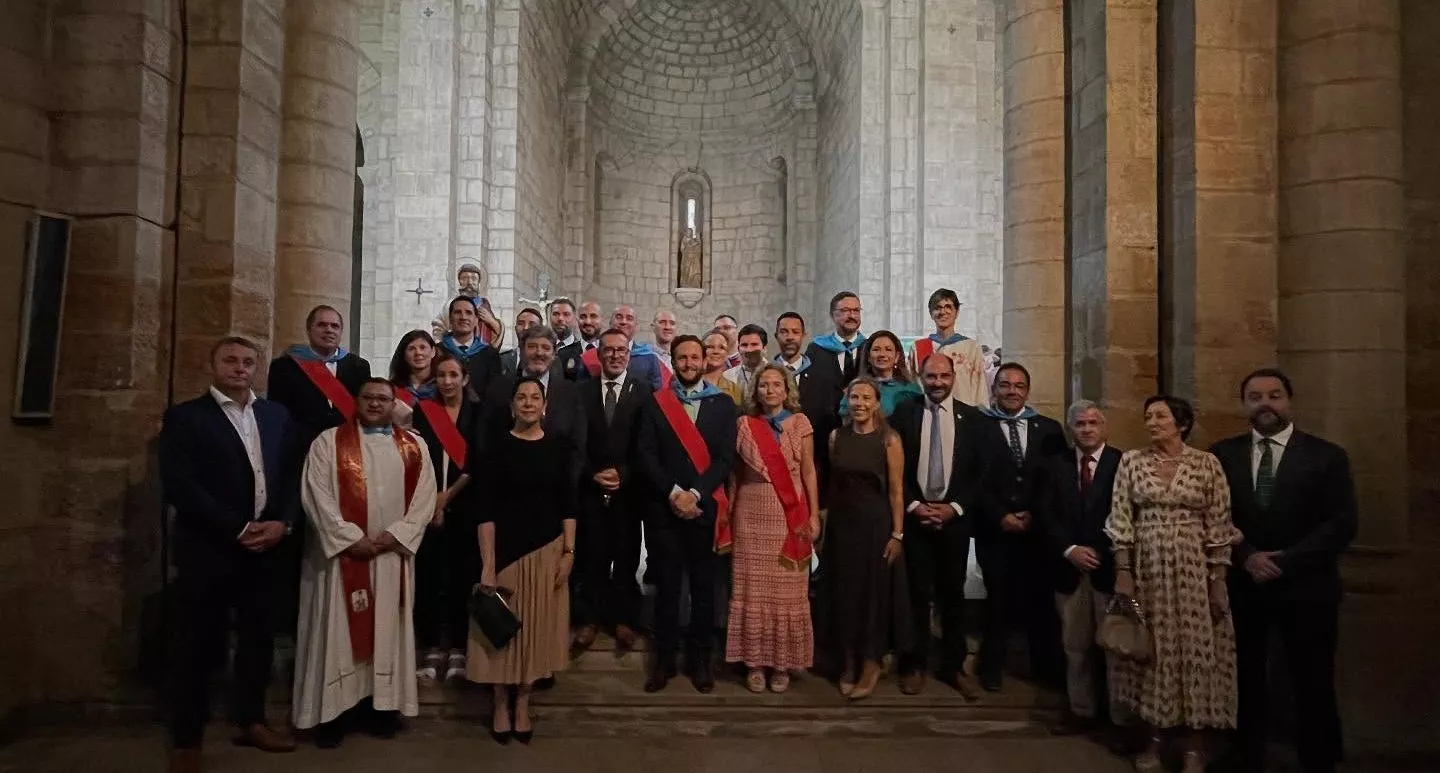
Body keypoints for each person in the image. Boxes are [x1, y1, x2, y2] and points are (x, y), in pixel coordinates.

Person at [160, 337, 300, 773]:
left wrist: (284, 523)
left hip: (266, 547)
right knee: (197, 644)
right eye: (231, 361)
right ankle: (187, 739)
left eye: (247, 362)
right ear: (213, 365)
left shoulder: (275, 415)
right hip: (211, 548)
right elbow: (181, 485)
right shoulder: (186, 417)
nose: (240, 369)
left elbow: (293, 475)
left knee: (259, 641)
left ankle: (251, 720)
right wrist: (236, 527)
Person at [1211, 369, 1357, 773]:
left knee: (1311, 676)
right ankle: (1246, 752)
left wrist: (1284, 561)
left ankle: (1318, 756)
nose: (1265, 404)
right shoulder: (1223, 454)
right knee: (1245, 675)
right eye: (1255, 396)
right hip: (1245, 584)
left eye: (1274, 395)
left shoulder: (1326, 456)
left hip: (1308, 586)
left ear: (1288, 401)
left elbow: (1341, 524)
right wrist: (1248, 557)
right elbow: (1215, 517)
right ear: (1244, 404)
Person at [293, 379, 437, 748]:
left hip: (390, 559)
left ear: (394, 403)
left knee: (386, 632)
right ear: (355, 401)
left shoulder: (414, 446)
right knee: (338, 635)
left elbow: (424, 501)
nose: (375, 404)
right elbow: (317, 495)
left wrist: (395, 535)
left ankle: (381, 709)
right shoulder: (328, 443)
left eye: (383, 399)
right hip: (342, 561)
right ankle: (333, 714)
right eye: (368, 398)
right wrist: (349, 538)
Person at [1106, 395, 1240, 773]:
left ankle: (1194, 747)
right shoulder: (1132, 461)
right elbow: (1120, 518)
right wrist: (1124, 571)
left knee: (1195, 656)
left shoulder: (1206, 463)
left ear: (1181, 423)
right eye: (1148, 415)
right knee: (1153, 653)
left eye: (1161, 416)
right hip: (1149, 570)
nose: (1152, 422)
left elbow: (1218, 523)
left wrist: (1218, 580)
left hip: (1193, 572)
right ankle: (1154, 740)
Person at [468, 377, 578, 745]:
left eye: (535, 397)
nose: (529, 403)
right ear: (512, 406)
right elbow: (483, 510)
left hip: (548, 550)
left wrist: (569, 552)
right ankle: (500, 702)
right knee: (502, 634)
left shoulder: (560, 448)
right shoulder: (495, 449)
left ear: (545, 406)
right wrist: (487, 563)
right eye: (522, 397)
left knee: (536, 632)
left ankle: (523, 704)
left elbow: (569, 504)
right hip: (506, 553)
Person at [636, 335, 738, 694]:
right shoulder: (655, 403)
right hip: (664, 510)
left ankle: (700, 661)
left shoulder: (724, 405)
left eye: (695, 357)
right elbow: (646, 454)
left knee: (703, 589)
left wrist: (694, 493)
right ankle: (663, 661)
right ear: (674, 362)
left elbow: (725, 458)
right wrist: (673, 492)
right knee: (666, 587)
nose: (690, 363)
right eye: (683, 357)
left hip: (704, 509)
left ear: (705, 360)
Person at [890, 353, 990, 698]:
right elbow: (894, 470)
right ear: (921, 376)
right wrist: (916, 506)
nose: (937, 383)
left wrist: (954, 508)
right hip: (915, 519)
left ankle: (953, 666)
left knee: (953, 595)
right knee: (916, 595)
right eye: (931, 376)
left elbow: (980, 473)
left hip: (954, 522)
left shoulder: (973, 419)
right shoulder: (905, 413)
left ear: (953, 376)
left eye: (943, 376)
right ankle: (914, 664)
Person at [725, 364, 820, 693]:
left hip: (789, 514)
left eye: (776, 384)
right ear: (755, 390)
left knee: (786, 591)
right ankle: (753, 662)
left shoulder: (801, 423)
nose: (769, 390)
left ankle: (781, 664)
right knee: (751, 589)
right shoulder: (743, 425)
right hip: (750, 515)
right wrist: (730, 511)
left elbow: (809, 471)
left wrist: (814, 516)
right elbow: (735, 474)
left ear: (786, 388)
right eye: (763, 384)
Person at [817, 377, 909, 700]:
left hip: (875, 526)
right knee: (844, 593)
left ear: (877, 403)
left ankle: (871, 662)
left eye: (866, 398)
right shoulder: (835, 437)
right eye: (854, 397)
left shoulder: (889, 439)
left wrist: (897, 533)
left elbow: (897, 492)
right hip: (843, 526)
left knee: (872, 595)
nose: (859, 403)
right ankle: (848, 661)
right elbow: (833, 485)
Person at [1039, 400, 1127, 739]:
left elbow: (1127, 515)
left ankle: (1121, 718)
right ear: (1070, 428)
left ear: (1103, 426)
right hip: (1069, 569)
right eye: (1080, 424)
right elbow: (1046, 513)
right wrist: (1070, 549)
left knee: (1117, 650)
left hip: (1109, 570)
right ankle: (1082, 711)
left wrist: (1102, 553)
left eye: (1093, 423)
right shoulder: (1055, 465)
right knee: (1075, 648)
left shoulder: (1122, 463)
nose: (1087, 429)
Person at [977, 362, 1067, 691]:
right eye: (1004, 385)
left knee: (1040, 601)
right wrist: (999, 514)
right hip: (994, 528)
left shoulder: (1049, 429)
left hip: (1037, 530)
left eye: (1018, 386)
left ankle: (1046, 668)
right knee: (997, 599)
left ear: (1027, 391)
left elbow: (1057, 480)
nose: (1011, 391)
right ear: (995, 389)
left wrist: (1035, 513)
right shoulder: (979, 427)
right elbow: (975, 478)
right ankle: (991, 668)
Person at [573, 329, 655, 652]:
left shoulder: (644, 391)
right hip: (589, 487)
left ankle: (623, 619)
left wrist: (624, 473)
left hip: (628, 490)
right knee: (591, 557)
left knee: (625, 555)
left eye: (621, 350)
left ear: (628, 355)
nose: (615, 355)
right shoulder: (580, 392)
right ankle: (589, 619)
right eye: (608, 350)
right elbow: (574, 441)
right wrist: (592, 473)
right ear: (599, 354)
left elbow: (646, 442)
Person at [410, 351, 483, 683]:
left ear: (465, 378)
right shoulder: (424, 412)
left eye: (454, 375)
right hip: (427, 504)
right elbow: (416, 459)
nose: (448, 381)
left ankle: (457, 647)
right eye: (441, 376)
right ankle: (429, 648)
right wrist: (433, 502)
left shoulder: (479, 413)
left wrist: (446, 498)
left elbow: (477, 464)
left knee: (461, 579)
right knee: (428, 579)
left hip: (466, 507)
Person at [481, 326, 587, 489]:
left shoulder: (570, 393)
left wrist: (568, 487)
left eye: (546, 348)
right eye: (532, 347)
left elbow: (577, 446)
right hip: (506, 491)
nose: (539, 353)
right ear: (522, 350)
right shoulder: (499, 388)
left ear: (553, 355)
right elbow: (486, 441)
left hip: (556, 492)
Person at [267, 305, 372, 449]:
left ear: (341, 332)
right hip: (301, 448)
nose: (329, 330)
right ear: (309, 330)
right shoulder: (284, 366)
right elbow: (277, 413)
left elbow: (364, 408)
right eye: (322, 325)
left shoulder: (359, 367)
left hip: (347, 446)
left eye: (335, 326)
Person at [775, 312, 841, 504]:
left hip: (813, 463)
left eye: (795, 332)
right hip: (775, 462)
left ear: (804, 335)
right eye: (784, 332)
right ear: (776, 336)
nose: (789, 337)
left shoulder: (823, 376)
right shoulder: (766, 375)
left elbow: (828, 417)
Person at [909, 288, 989, 407]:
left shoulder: (971, 347)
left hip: (964, 415)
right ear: (931, 314)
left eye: (948, 307)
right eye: (937, 308)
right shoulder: (918, 347)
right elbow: (913, 385)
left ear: (956, 312)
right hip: (928, 412)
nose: (943, 312)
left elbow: (980, 387)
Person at [838, 330, 922, 417]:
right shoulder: (855, 388)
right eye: (876, 349)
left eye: (888, 350)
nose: (882, 354)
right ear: (869, 357)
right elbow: (845, 420)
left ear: (897, 357)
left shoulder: (912, 389)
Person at [582, 305, 663, 390]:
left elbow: (655, 392)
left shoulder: (649, 358)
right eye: (618, 317)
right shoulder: (591, 357)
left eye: (629, 318)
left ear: (636, 326)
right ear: (610, 323)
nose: (623, 322)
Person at [438, 295, 503, 398]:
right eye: (458, 312)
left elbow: (495, 394)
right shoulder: (437, 352)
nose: (463, 317)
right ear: (450, 319)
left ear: (476, 319)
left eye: (468, 313)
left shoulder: (490, 355)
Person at [804, 291, 865, 399]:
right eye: (845, 310)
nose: (852, 315)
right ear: (832, 315)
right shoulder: (816, 349)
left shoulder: (870, 348)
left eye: (856, 310)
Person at [388, 330, 436, 426]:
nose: (418, 352)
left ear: (433, 352)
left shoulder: (443, 387)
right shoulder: (392, 389)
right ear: (404, 356)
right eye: (411, 349)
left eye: (423, 347)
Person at [723, 323, 769, 398]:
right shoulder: (727, 377)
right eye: (744, 345)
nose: (749, 350)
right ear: (738, 349)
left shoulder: (779, 374)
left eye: (754, 344)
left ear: (764, 348)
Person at [701, 329, 745, 404]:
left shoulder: (734, 390)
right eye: (710, 347)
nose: (716, 351)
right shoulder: (692, 383)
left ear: (727, 354)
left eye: (722, 347)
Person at [500, 307, 544, 377]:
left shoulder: (552, 362)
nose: (526, 328)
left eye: (532, 324)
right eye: (521, 323)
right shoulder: (501, 360)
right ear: (515, 328)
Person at [549, 297, 585, 381]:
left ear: (574, 319)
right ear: (550, 317)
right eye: (556, 314)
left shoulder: (583, 351)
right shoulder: (542, 349)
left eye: (566, 314)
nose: (560, 318)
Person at [652, 309, 678, 373]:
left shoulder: (681, 359)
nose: (667, 327)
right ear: (653, 327)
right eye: (662, 322)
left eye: (672, 323)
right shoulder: (645, 357)